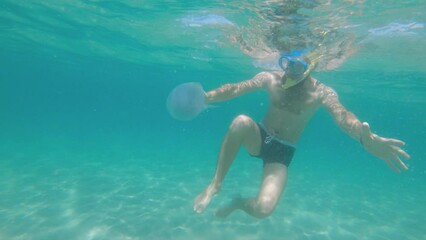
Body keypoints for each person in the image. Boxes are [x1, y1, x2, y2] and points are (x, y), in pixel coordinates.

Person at [192, 52, 410, 219]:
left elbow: (342, 115)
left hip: (281, 152)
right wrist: (207, 96)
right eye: (286, 64)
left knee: (264, 209)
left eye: (297, 67)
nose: (288, 72)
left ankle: (238, 203)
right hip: (260, 136)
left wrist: (363, 137)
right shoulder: (271, 79)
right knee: (240, 121)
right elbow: (236, 88)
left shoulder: (321, 93)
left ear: (309, 69)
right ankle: (215, 184)